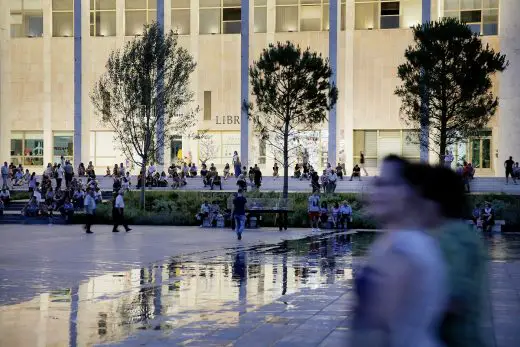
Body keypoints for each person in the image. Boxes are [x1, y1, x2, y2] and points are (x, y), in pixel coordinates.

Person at [351, 155, 448, 347]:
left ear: (409, 193)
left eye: (387, 184)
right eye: (377, 183)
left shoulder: (405, 251)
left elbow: (379, 328)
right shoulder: (401, 241)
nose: (376, 191)